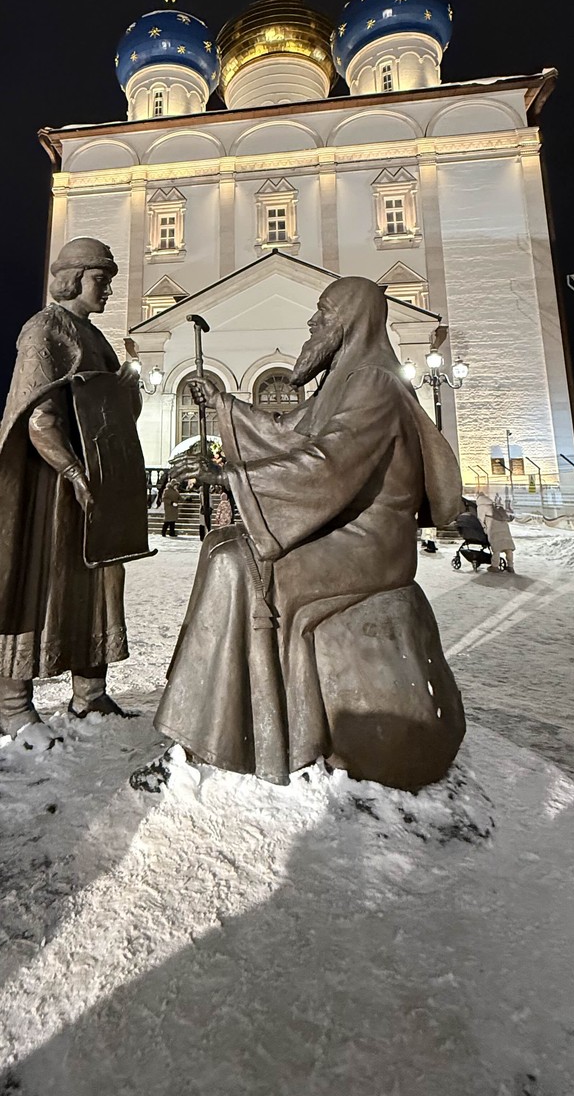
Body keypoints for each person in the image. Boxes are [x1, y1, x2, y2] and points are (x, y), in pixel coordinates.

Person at [136, 276, 465, 794]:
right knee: (222, 546)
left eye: (323, 313)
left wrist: (232, 477)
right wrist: (226, 406)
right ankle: (226, 729)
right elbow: (291, 432)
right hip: (344, 533)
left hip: (367, 545)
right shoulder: (346, 379)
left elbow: (326, 463)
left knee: (235, 565)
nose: (312, 324)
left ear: (351, 321)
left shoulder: (374, 382)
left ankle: (212, 743)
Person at [0, 236, 146, 744]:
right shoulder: (45, 329)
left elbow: (114, 416)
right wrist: (74, 472)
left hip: (93, 487)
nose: (106, 289)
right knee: (35, 584)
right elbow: (39, 416)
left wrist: (130, 382)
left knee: (99, 587)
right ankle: (13, 708)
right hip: (49, 490)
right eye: (100, 279)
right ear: (73, 277)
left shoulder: (96, 338)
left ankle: (90, 695)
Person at [488, 496, 516, 571]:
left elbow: (490, 529)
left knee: (496, 550)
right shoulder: (504, 518)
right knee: (508, 550)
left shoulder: (493, 518)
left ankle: (494, 566)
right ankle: (510, 567)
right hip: (507, 537)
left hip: (497, 537)